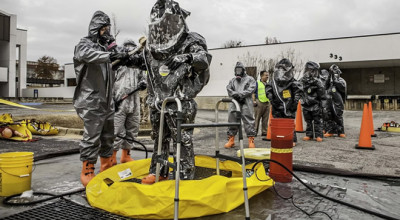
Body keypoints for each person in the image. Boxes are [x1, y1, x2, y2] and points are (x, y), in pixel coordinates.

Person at [140, 0, 212, 184]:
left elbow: (203, 59)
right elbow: (142, 61)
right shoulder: (152, 46)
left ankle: (185, 174)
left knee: (182, 139)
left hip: (180, 100)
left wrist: (186, 57)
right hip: (158, 100)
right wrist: (123, 57)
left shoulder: (190, 40)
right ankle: (159, 170)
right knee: (158, 139)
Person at [73, 10, 129, 187]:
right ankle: (88, 169)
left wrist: (121, 55)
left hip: (107, 100)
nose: (106, 31)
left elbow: (112, 62)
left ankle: (106, 166)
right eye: (103, 28)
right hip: (91, 99)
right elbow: (86, 56)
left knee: (108, 135)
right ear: (95, 28)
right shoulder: (84, 44)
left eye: (108, 28)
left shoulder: (106, 47)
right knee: (92, 136)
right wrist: (109, 55)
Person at [111, 40, 147, 165]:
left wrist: (143, 82)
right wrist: (111, 100)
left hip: (134, 100)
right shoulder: (118, 63)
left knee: (133, 127)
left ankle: (126, 155)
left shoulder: (137, 64)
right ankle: (111, 157)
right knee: (116, 130)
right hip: (119, 100)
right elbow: (109, 82)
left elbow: (143, 76)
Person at [265, 58, 302, 146]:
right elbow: (268, 90)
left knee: (289, 123)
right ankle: (279, 138)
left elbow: (297, 91)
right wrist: (271, 99)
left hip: (289, 105)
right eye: (280, 69)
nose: (282, 71)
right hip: (276, 104)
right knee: (277, 123)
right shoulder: (273, 81)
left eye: (284, 69)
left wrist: (295, 103)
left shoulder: (292, 81)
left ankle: (291, 139)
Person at [224, 62, 257, 149]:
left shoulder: (250, 79)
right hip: (234, 102)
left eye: (240, 70)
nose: (238, 72)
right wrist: (236, 95)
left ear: (243, 70)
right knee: (232, 119)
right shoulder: (232, 81)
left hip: (246, 102)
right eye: (236, 70)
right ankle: (231, 140)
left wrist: (241, 95)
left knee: (249, 119)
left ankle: (251, 140)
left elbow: (252, 88)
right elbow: (228, 88)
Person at [299, 61, 326, 142]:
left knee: (317, 120)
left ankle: (319, 135)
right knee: (308, 121)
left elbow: (322, 94)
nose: (309, 72)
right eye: (307, 70)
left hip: (315, 104)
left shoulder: (318, 81)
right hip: (306, 104)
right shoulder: (303, 80)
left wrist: (322, 105)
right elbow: (299, 88)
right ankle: (309, 135)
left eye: (311, 70)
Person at [324, 64, 347, 138]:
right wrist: (329, 77)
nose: (335, 74)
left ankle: (340, 131)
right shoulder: (330, 82)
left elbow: (342, 88)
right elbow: (325, 86)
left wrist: (334, 80)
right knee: (329, 115)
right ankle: (331, 130)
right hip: (329, 100)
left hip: (338, 101)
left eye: (336, 73)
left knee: (338, 115)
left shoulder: (341, 81)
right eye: (333, 73)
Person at [253, 70, 270, 137]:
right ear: (261, 76)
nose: (267, 76)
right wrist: (254, 101)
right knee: (257, 118)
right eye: (266, 75)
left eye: (267, 75)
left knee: (265, 119)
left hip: (267, 102)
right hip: (259, 102)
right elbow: (253, 93)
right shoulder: (257, 83)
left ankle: (264, 131)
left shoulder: (268, 83)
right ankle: (255, 131)